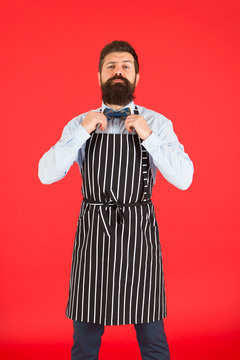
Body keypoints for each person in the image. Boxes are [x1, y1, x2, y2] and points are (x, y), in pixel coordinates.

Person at [38, 40, 194, 360]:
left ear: (137, 77)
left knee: (152, 339)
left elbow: (184, 178)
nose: (118, 71)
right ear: (99, 77)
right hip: (94, 236)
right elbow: (46, 173)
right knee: (84, 341)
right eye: (111, 66)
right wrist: (82, 132)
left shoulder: (158, 124)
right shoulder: (79, 123)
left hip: (139, 235)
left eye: (125, 66)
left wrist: (148, 137)